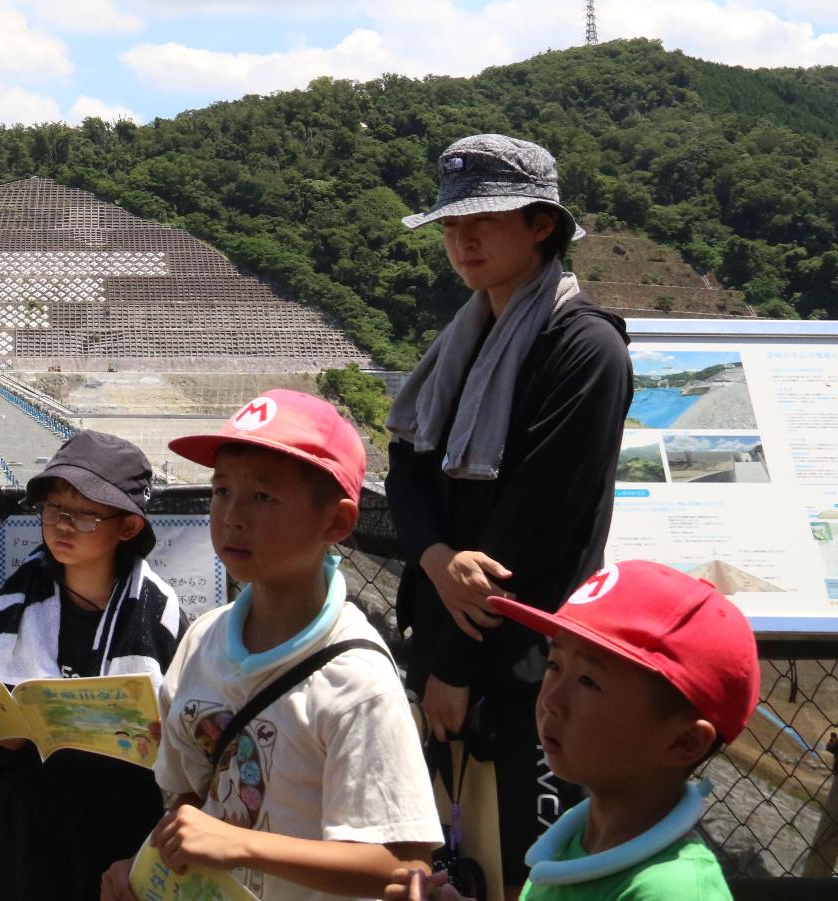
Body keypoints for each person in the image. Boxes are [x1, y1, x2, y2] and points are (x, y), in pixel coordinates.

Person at [385, 134, 635, 897]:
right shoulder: (463, 341)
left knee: (528, 867)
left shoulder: (584, 346)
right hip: (450, 648)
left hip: (528, 669)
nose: (462, 239)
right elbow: (405, 467)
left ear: (541, 225)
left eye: (484, 220)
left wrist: (455, 668)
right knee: (465, 871)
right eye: (452, 224)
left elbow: (536, 523)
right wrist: (432, 557)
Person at [102, 390, 440, 901]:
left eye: (263, 496)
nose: (232, 516)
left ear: (337, 522)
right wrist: (145, 867)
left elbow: (404, 865)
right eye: (221, 491)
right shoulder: (203, 640)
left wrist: (241, 846)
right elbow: (190, 799)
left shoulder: (357, 682)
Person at [0, 431, 182, 900]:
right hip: (31, 815)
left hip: (123, 818)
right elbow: (8, 730)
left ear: (127, 527)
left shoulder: (158, 612)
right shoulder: (18, 597)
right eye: (54, 509)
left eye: (86, 514)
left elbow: (181, 737)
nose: (64, 526)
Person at [390, 560, 758, 901]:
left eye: (587, 680)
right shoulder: (574, 842)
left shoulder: (672, 890)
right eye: (553, 664)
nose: (550, 698)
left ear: (683, 742)